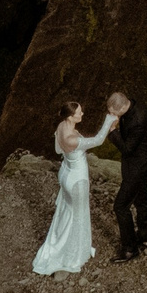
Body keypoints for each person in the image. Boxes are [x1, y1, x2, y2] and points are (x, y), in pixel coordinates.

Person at [30, 99, 115, 275]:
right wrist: (109, 120)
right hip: (77, 179)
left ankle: (62, 242)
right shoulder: (72, 138)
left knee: (67, 211)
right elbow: (98, 140)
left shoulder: (62, 126)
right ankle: (74, 253)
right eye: (79, 113)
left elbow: (58, 150)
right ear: (71, 116)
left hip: (65, 173)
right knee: (78, 215)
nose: (82, 114)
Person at [107, 90, 147, 259]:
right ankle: (144, 239)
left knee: (120, 206)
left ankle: (130, 248)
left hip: (139, 166)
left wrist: (113, 131)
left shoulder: (138, 120)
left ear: (121, 108)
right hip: (139, 163)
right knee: (141, 199)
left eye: (113, 113)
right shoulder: (132, 105)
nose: (111, 116)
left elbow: (127, 149)